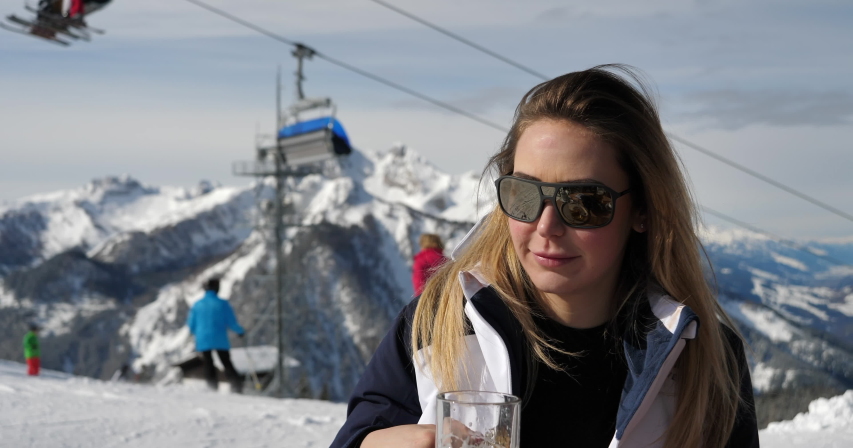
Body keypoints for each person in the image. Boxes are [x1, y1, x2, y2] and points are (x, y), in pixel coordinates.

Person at [330, 65, 759, 448]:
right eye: (524, 194)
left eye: (584, 203)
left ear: (643, 210)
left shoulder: (703, 360)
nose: (546, 226)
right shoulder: (438, 324)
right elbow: (359, 435)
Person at [187, 278, 245, 393]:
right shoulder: (223, 304)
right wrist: (240, 332)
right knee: (226, 362)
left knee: (208, 364)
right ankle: (236, 386)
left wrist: (196, 333)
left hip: (203, 339)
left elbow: (191, 325)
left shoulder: (197, 305)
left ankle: (212, 387)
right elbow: (232, 322)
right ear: (217, 288)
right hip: (220, 339)